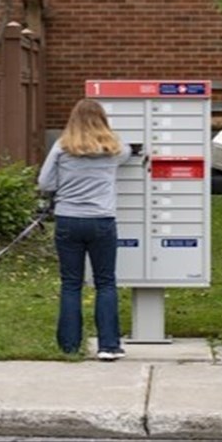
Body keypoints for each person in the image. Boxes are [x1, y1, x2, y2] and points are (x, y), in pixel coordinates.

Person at [38, 98, 133, 361]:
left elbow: (44, 182)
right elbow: (130, 153)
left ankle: (69, 346)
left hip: (68, 220)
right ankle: (109, 346)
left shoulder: (61, 146)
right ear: (103, 120)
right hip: (102, 221)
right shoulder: (114, 149)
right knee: (105, 283)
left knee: (71, 284)